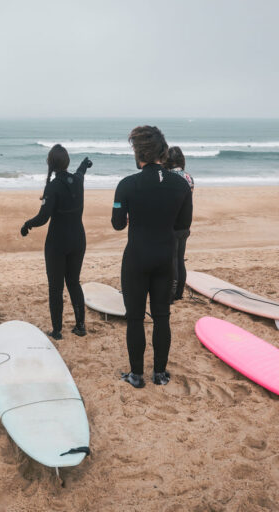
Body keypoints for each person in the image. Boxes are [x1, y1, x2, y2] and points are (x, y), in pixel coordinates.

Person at [112, 126, 192, 388]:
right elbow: (183, 224)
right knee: (162, 316)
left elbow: (117, 224)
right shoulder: (181, 185)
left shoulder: (126, 185)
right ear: (162, 152)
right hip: (165, 258)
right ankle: (160, 374)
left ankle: (136, 375)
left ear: (139, 153)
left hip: (136, 258)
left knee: (134, 318)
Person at [20, 145, 91, 340]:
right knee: (74, 282)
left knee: (55, 287)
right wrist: (85, 164)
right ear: (67, 162)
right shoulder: (77, 181)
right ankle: (80, 326)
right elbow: (80, 172)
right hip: (78, 239)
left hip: (57, 243)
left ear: (50, 163)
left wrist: (27, 225)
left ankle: (57, 331)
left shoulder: (52, 187)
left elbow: (43, 217)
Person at [166, 146, 194, 302]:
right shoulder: (189, 177)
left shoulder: (170, 177)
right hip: (185, 222)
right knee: (180, 258)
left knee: (172, 260)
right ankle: (179, 293)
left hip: (173, 223)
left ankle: (171, 293)